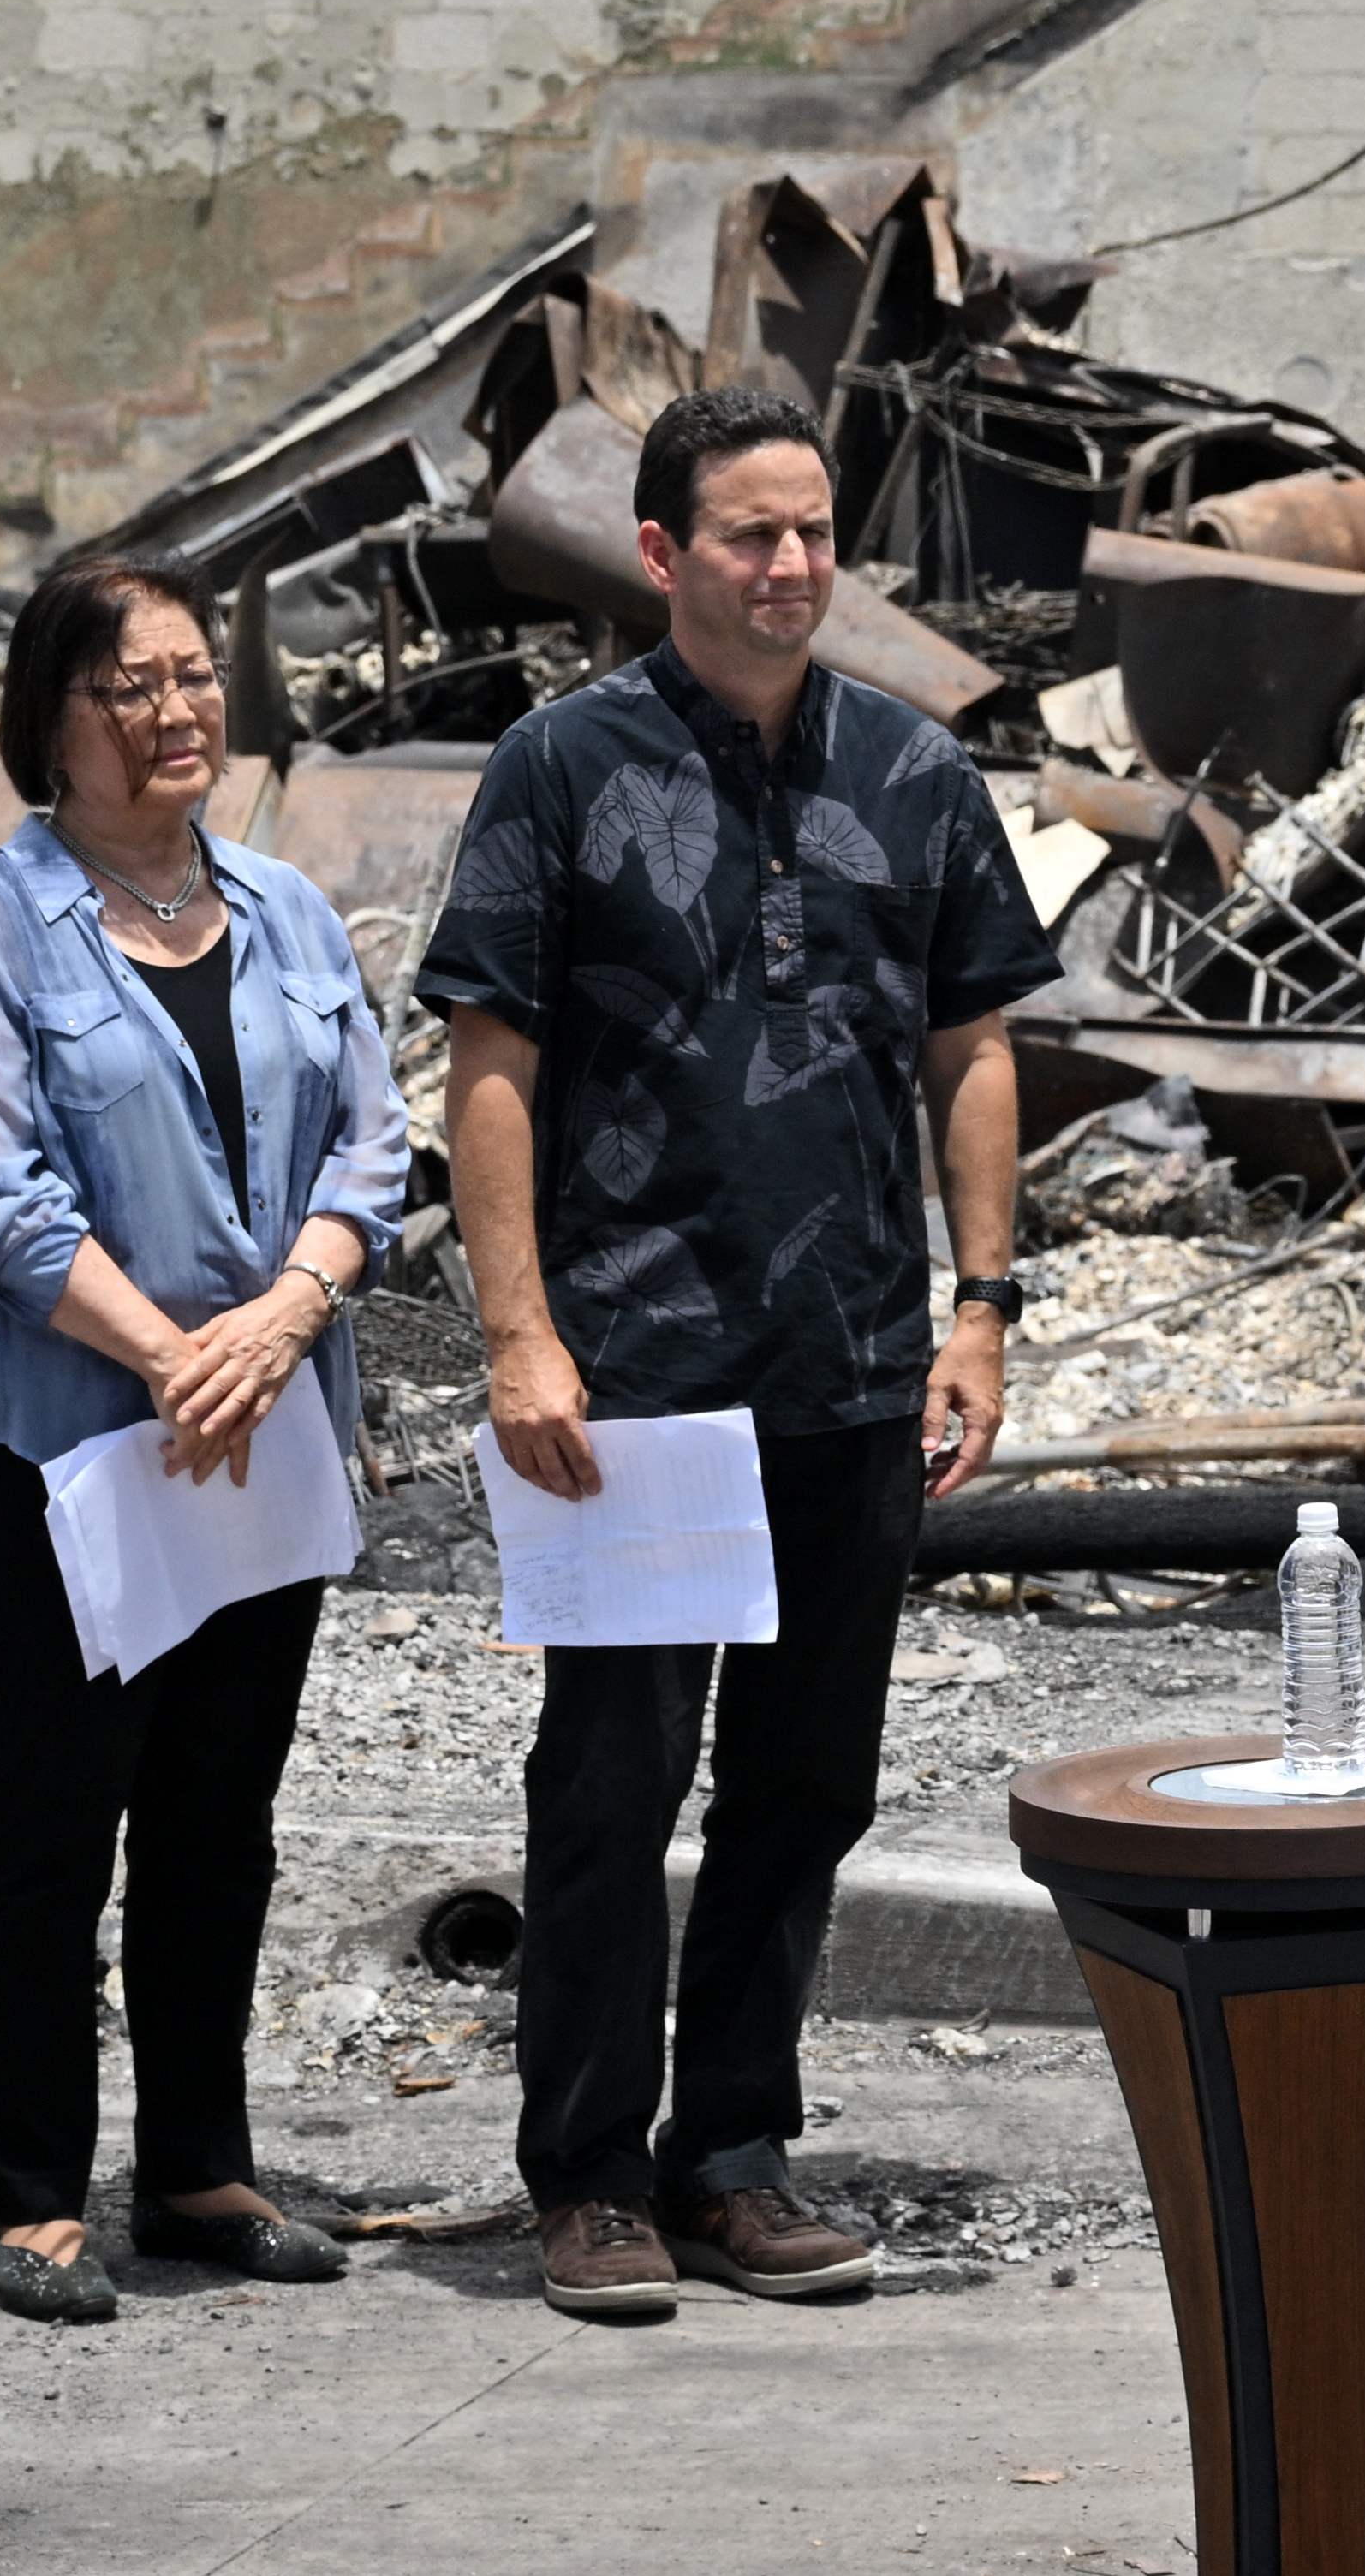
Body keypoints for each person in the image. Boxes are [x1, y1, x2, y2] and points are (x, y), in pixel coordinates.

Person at [428, 386, 1052, 2327]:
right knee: (612, 1781)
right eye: (750, 536)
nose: (791, 568)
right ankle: (592, 2176)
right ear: (663, 553)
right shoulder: (562, 766)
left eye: (812, 534)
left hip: (854, 1364)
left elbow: (973, 1044)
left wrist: (981, 1303)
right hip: (631, 1380)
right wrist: (518, 1334)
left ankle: (733, 2156)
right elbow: (492, 1066)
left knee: (807, 1784)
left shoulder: (916, 771)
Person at [0, 550, 408, 2326]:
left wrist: (286, 1315)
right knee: (53, 1813)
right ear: (53, 715)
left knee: (220, 1815)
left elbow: (372, 1148)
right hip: (66, 1449)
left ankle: (198, 2163)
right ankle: (32, 2188)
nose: (180, 710)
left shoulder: (284, 911)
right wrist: (175, 1347)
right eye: (136, 684)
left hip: (261, 1430)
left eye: (197, 676)